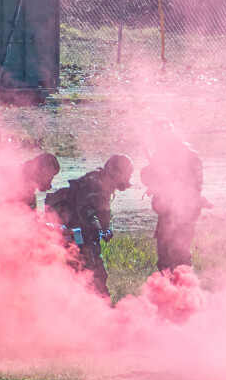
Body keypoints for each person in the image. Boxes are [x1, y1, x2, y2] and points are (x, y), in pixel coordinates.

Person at [45, 154, 133, 299]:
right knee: (90, 274)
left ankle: (85, 309)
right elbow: (84, 211)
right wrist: (96, 233)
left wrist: (107, 228)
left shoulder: (104, 184)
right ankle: (95, 310)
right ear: (118, 172)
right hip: (76, 235)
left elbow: (103, 212)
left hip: (82, 234)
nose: (128, 178)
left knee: (86, 274)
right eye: (127, 174)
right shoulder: (97, 183)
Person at [140, 121, 211, 272]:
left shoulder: (187, 155)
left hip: (183, 211)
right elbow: (151, 179)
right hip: (167, 211)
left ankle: (185, 290)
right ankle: (167, 291)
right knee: (165, 256)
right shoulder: (162, 155)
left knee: (180, 254)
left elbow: (194, 186)